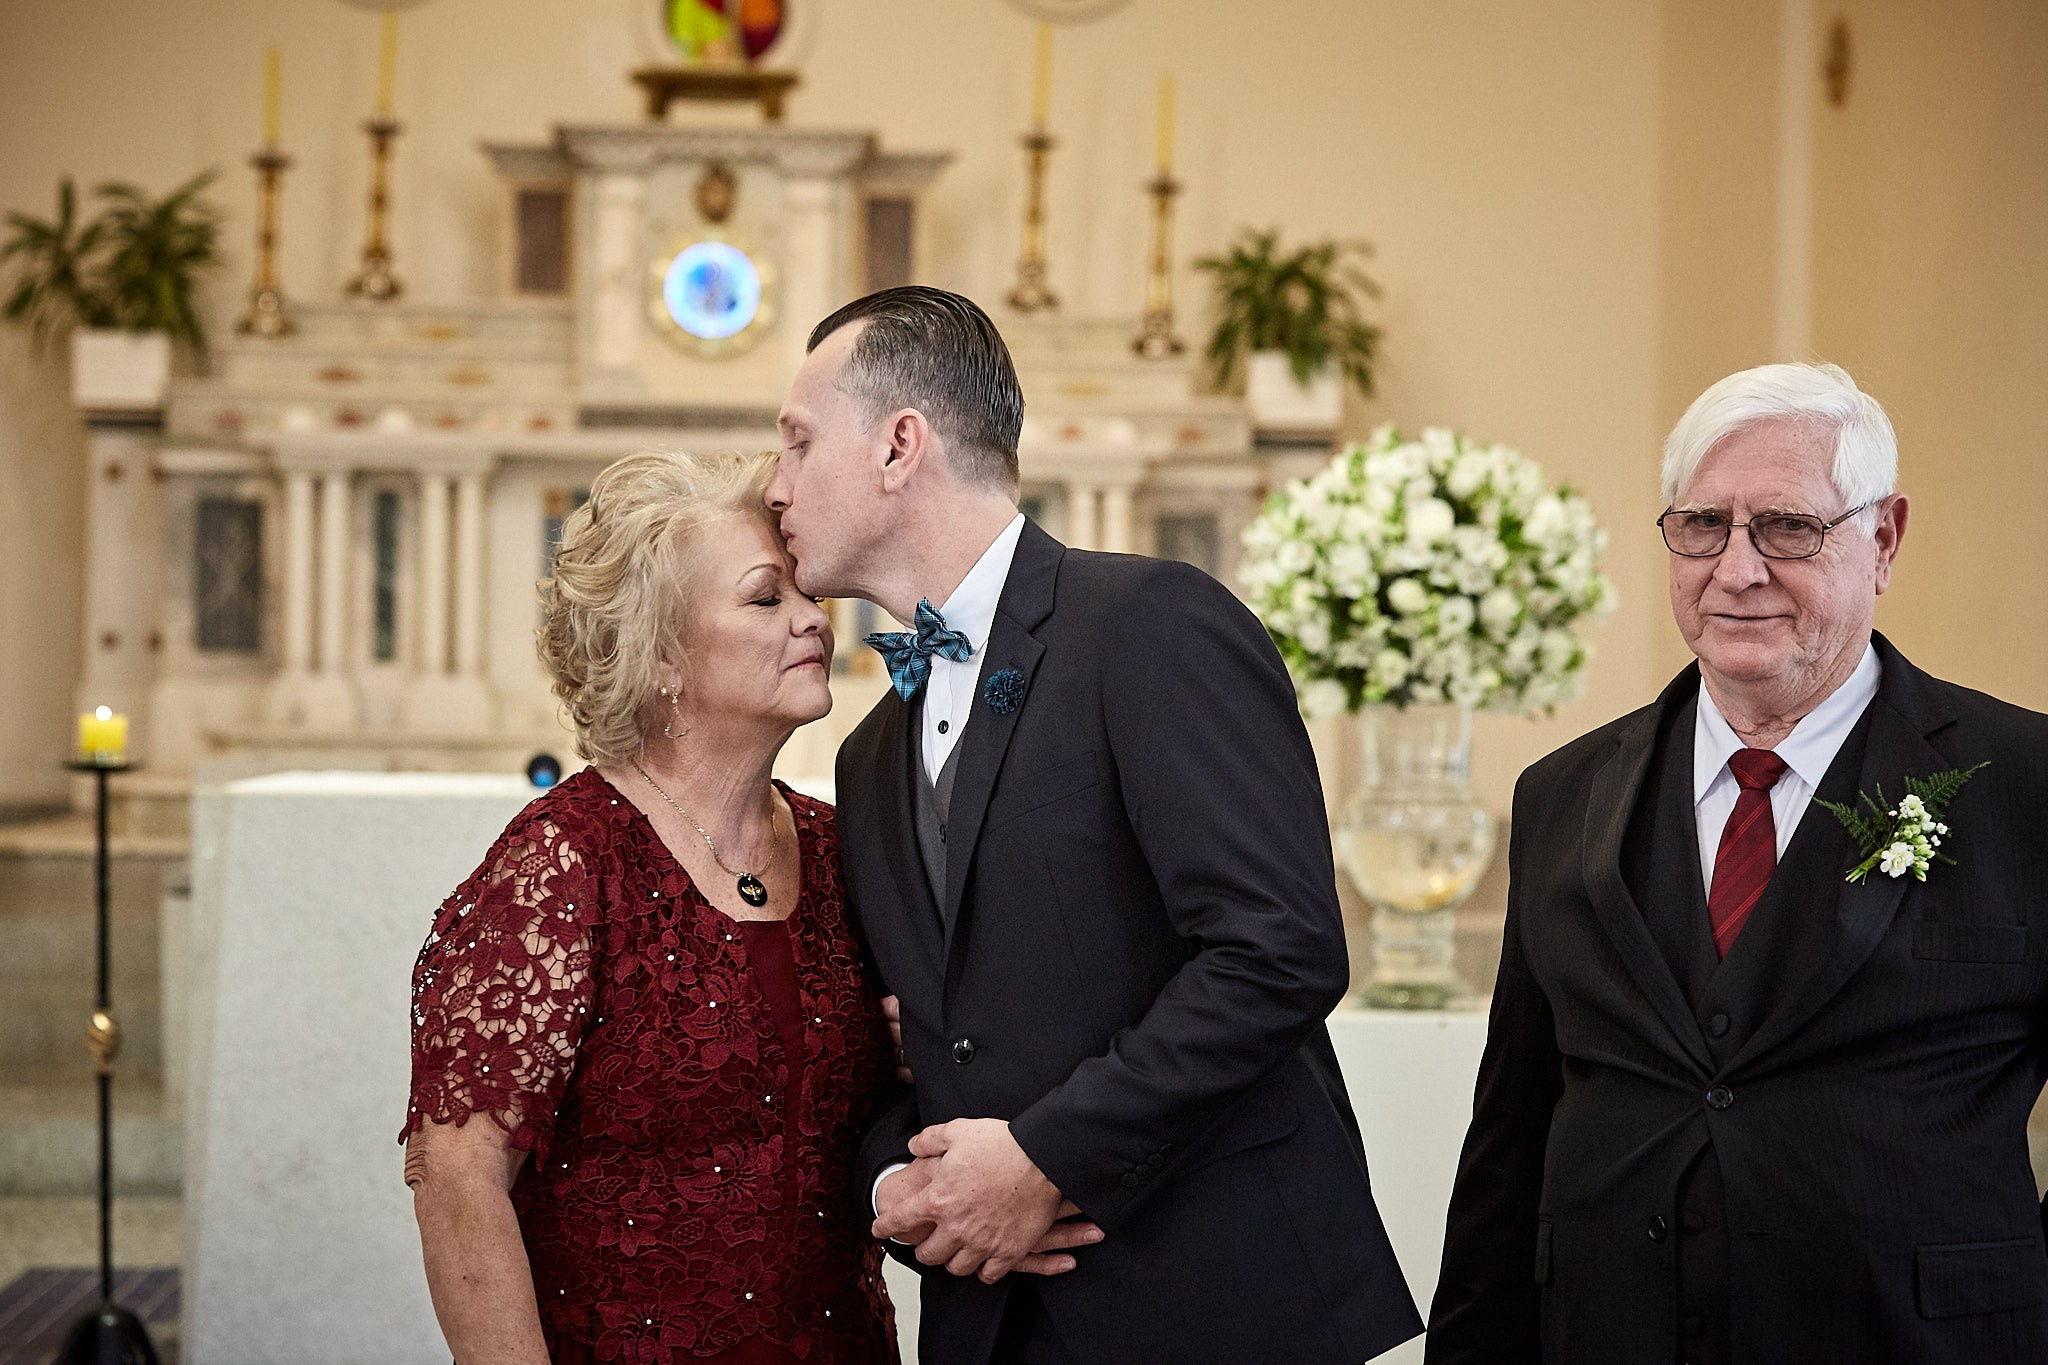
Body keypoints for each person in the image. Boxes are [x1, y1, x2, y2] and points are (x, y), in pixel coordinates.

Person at [767, 286, 1422, 1365]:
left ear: (898, 445)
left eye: (796, 443)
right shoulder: (868, 755)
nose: (776, 485)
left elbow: (1278, 949)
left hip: (1208, 1304)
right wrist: (897, 1182)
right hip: (997, 1321)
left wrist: (1045, 1157)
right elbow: (911, 1044)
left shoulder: (1149, 624)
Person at [1428, 362, 2048, 1364]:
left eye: (1787, 529)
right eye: (1700, 525)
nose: (1736, 567)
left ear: (1882, 539)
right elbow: (1506, 1142)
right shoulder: (1563, 795)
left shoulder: (2023, 785)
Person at [402, 450, 906, 1364]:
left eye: (804, 594)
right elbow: (458, 1175)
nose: (812, 619)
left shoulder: (842, 849)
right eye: (766, 599)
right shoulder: (564, 862)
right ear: (663, 653)